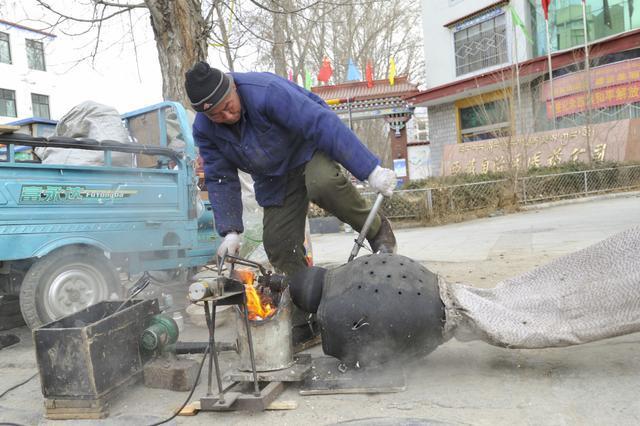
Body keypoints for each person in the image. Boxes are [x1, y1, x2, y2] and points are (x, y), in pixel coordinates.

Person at [184, 62, 397, 278]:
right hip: (273, 177)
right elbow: (221, 177)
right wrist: (230, 231)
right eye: (217, 116)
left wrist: (371, 170)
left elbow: (320, 123)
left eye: (228, 106)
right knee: (279, 245)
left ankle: (377, 229)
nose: (227, 117)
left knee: (323, 184)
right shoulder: (204, 130)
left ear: (233, 87)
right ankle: (304, 293)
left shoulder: (266, 91)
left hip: (307, 151)